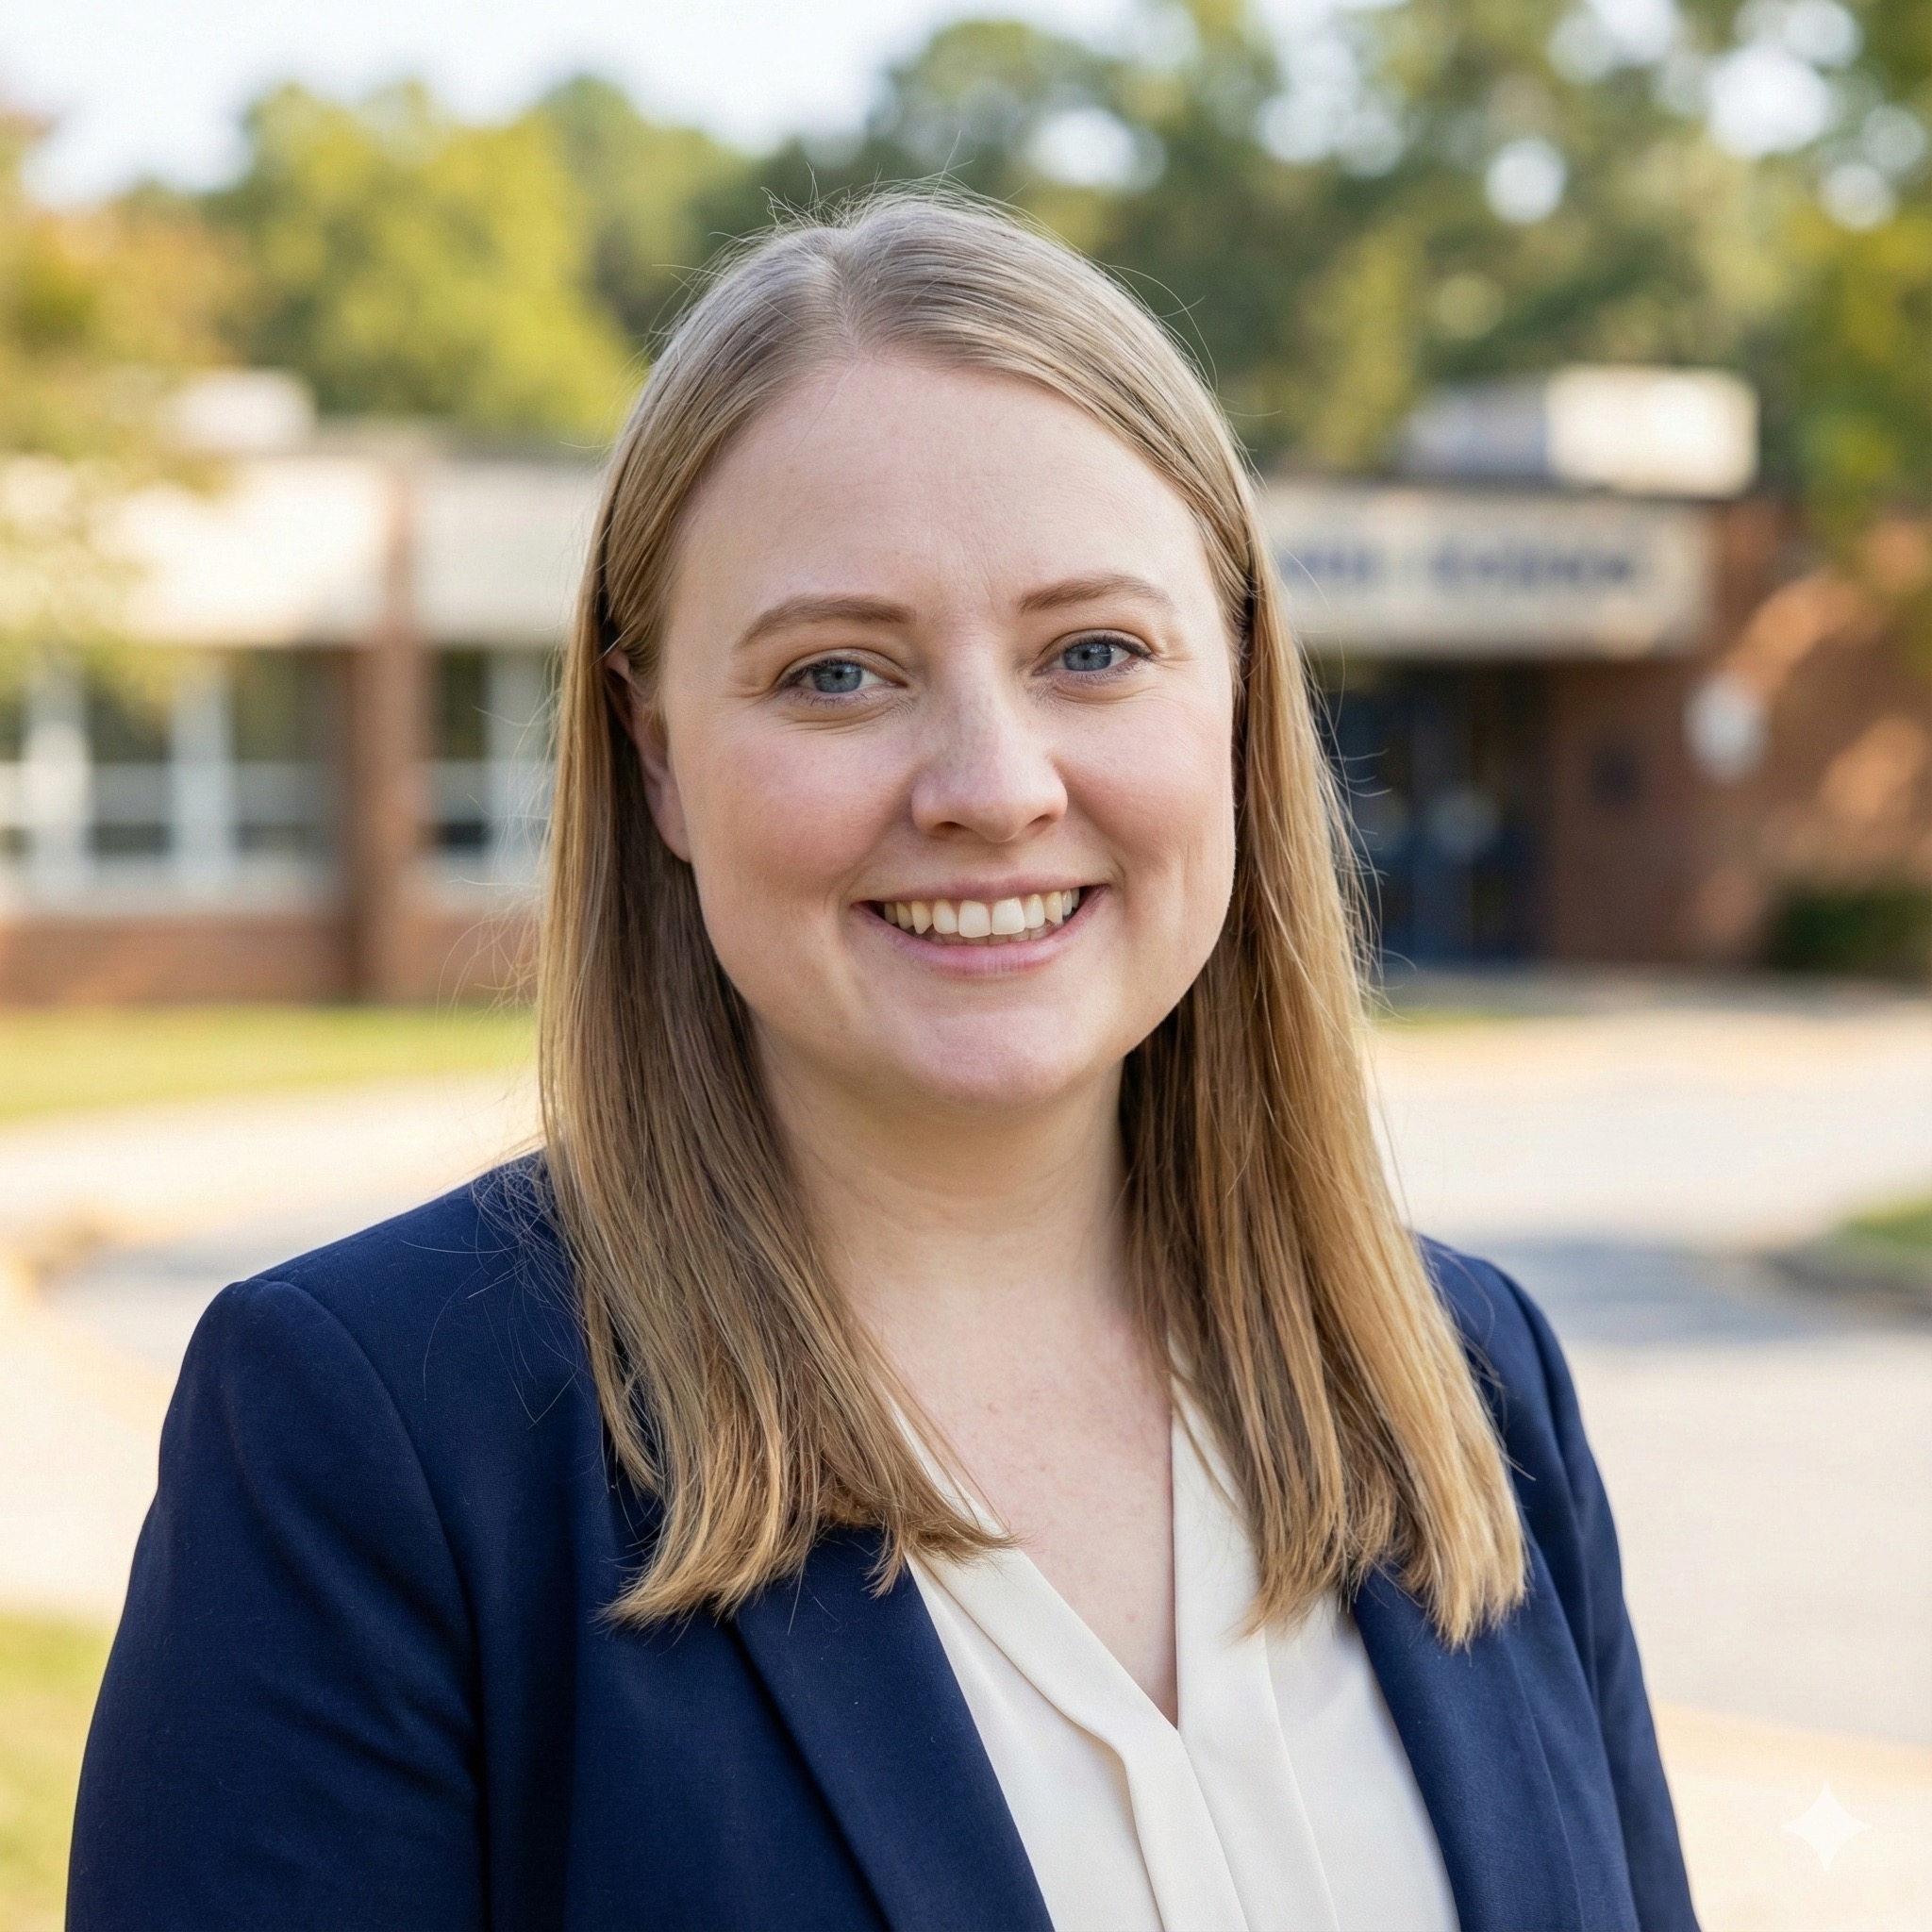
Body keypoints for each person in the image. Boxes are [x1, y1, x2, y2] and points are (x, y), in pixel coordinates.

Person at [70, 195, 1696, 1932]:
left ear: (1235, 698)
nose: (991, 785)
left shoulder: (1467, 1384)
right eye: (838, 673)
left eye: (1094, 652)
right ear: (660, 754)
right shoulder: (378, 1446)